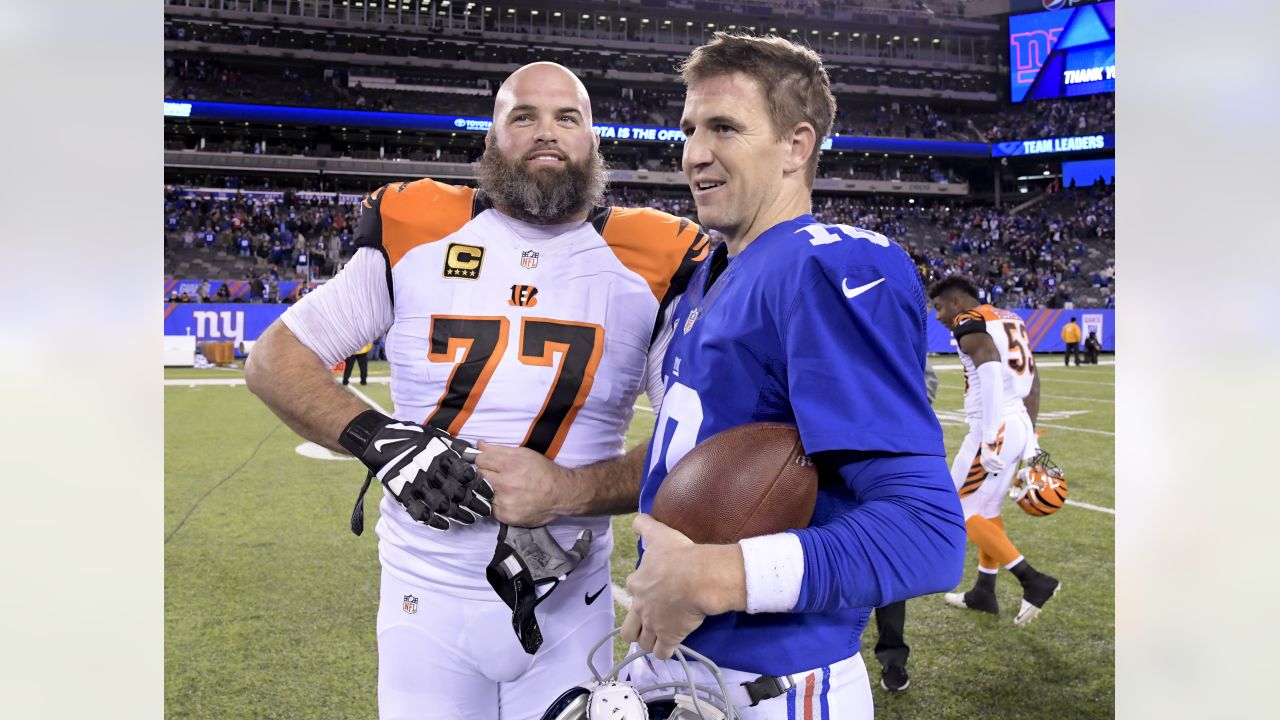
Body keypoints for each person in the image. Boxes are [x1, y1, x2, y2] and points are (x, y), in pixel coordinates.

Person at [244, 61, 707, 720]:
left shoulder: (655, 257)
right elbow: (273, 361)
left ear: (593, 142)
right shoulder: (418, 229)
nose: (546, 133)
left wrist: (571, 490)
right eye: (523, 116)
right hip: (423, 601)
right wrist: (382, 441)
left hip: (571, 604)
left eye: (566, 118)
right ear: (490, 141)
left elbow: (693, 441)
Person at [613, 34, 966, 718]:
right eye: (688, 129)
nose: (694, 153)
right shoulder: (708, 278)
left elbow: (927, 534)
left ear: (797, 146)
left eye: (724, 128)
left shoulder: (821, 266)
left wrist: (719, 574)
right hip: (679, 671)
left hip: (771, 689)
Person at [926, 275, 1060, 626]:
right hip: (1016, 420)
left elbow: (987, 364)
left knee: (957, 508)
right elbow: (1032, 380)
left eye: (939, 307)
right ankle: (984, 590)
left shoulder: (969, 319)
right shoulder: (1011, 318)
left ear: (957, 302)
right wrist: (1029, 435)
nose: (937, 316)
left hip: (995, 423)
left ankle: (1033, 580)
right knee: (986, 507)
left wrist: (989, 436)